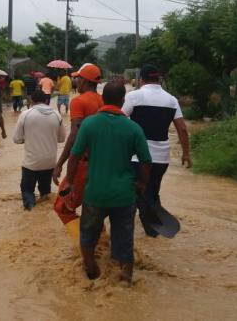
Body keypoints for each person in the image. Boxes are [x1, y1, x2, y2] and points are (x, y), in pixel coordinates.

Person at [64, 81, 151, 283]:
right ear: (122, 101)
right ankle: (125, 277)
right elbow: (146, 161)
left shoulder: (89, 124)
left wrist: (70, 182)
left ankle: (91, 270)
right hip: (124, 195)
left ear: (103, 99)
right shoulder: (133, 128)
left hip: (95, 193)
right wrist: (142, 183)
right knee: (124, 239)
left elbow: (75, 156)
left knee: (88, 234)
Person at [122, 64, 192, 237]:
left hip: (137, 157)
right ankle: (154, 225)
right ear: (159, 79)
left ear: (141, 80)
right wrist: (186, 153)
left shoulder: (133, 97)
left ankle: (149, 228)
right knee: (152, 190)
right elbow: (182, 129)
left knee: (138, 193)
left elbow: (119, 120)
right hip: (162, 158)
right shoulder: (171, 100)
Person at [52, 63, 103, 240]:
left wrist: (60, 164)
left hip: (83, 164)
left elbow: (75, 134)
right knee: (94, 208)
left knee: (62, 207)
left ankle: (84, 247)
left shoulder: (79, 101)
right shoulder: (102, 100)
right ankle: (101, 241)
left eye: (78, 78)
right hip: (101, 163)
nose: (75, 81)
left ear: (85, 80)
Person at [12, 90, 66, 210]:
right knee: (45, 194)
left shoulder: (26, 115)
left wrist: (28, 138)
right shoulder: (56, 115)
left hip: (31, 163)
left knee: (27, 190)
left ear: (31, 101)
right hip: (50, 162)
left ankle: (30, 209)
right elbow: (62, 139)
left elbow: (16, 139)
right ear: (47, 100)